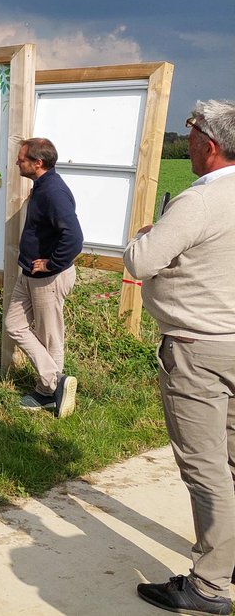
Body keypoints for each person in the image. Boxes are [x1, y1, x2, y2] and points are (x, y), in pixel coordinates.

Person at [126, 100, 235, 616]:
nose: (186, 140)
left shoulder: (199, 201)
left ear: (208, 145)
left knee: (205, 466)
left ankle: (210, 585)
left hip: (198, 348)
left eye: (190, 132)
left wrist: (144, 237)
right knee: (232, 460)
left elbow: (144, 261)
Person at [3, 137, 83, 418]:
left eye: (22, 158)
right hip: (29, 274)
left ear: (38, 163)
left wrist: (51, 264)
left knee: (50, 337)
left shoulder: (54, 192)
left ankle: (48, 394)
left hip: (47, 278)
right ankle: (55, 381)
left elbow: (74, 237)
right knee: (14, 324)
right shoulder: (42, 187)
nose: (17, 162)